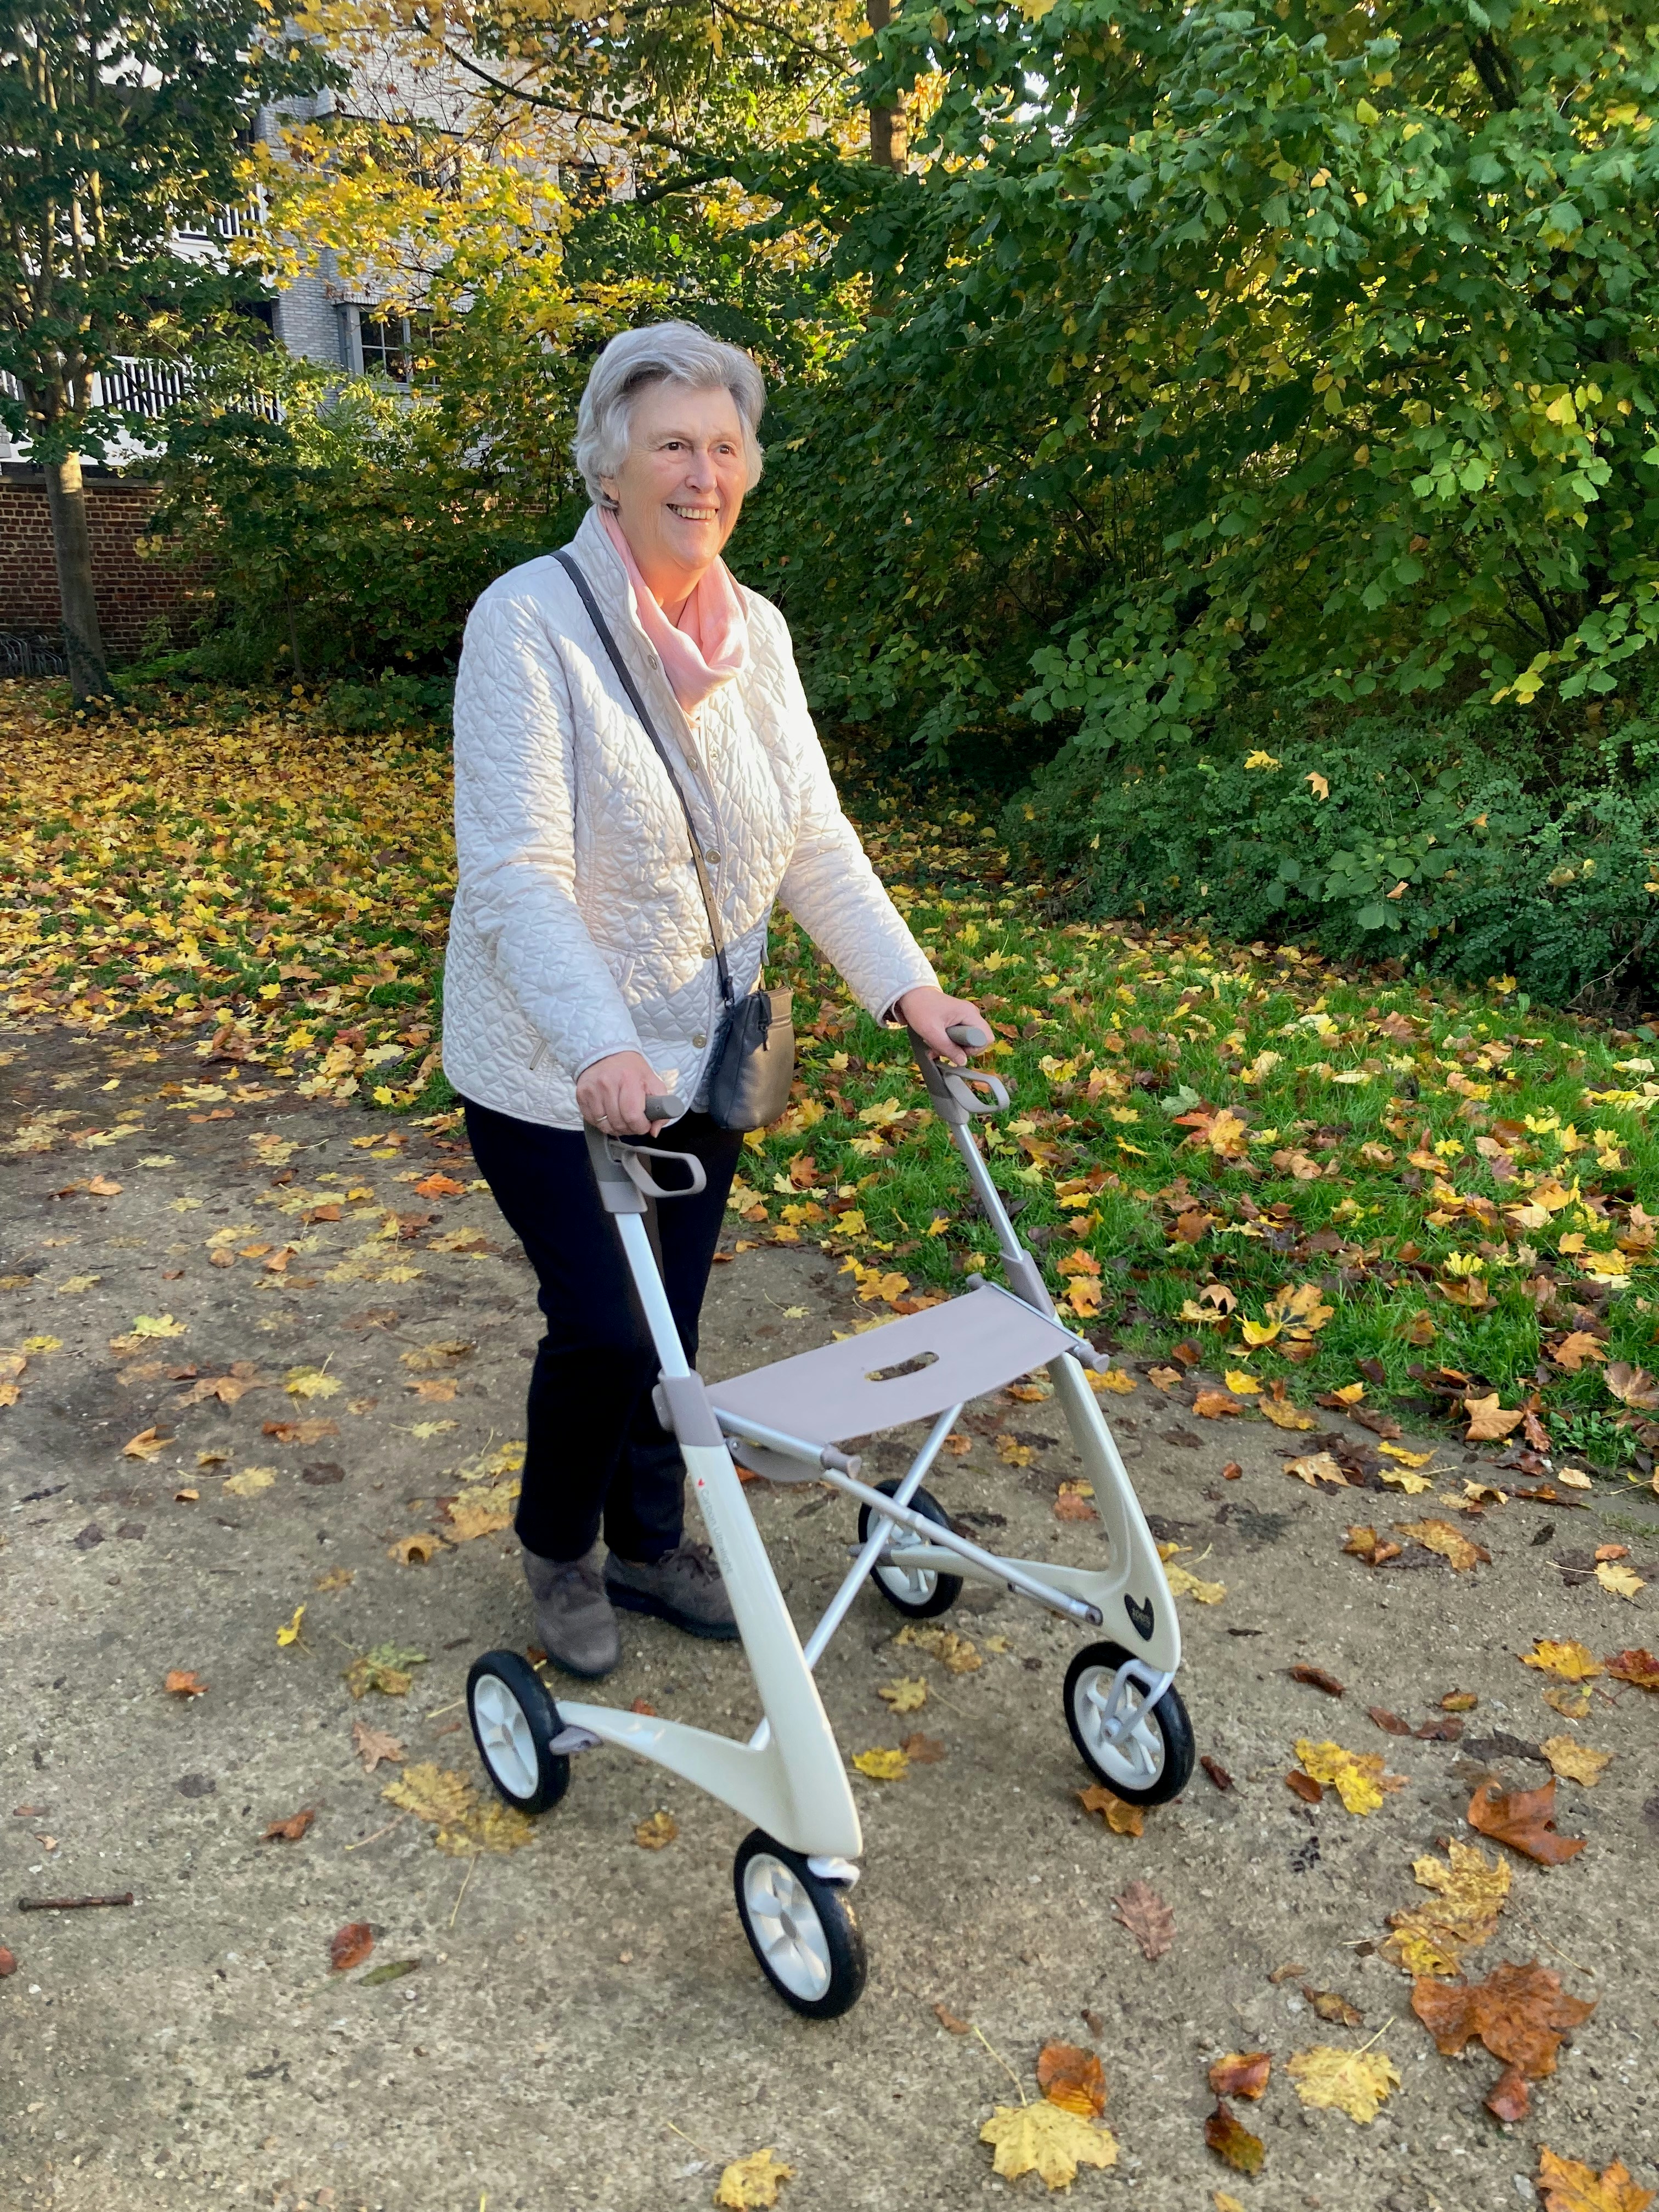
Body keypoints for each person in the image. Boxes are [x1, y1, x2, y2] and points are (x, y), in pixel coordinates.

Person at [443, 320, 984, 1678]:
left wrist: (906, 986)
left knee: (671, 1329)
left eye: (724, 446)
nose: (703, 472)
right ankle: (559, 1545)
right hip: (548, 1063)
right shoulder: (526, 622)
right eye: (671, 444)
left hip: (707, 1050)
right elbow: (515, 872)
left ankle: (649, 1539)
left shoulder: (761, 636)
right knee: (608, 1326)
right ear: (607, 466)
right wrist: (597, 1040)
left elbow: (813, 837)